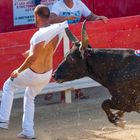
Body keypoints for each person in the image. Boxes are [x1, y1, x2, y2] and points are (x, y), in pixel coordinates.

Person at [0, 4, 68, 139]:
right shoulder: (56, 32)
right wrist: (31, 52)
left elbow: (33, 58)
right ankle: (28, 132)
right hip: (46, 75)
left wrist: (18, 71)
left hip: (33, 73)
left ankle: (2, 120)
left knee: (9, 85)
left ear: (37, 16)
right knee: (29, 97)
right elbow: (48, 50)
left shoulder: (37, 35)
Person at [47, 0, 108, 100]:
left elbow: (91, 16)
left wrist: (98, 18)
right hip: (59, 39)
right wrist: (66, 18)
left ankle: (78, 91)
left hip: (74, 39)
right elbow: (50, 19)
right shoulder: (58, 5)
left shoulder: (78, 3)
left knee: (76, 64)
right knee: (60, 63)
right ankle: (50, 89)